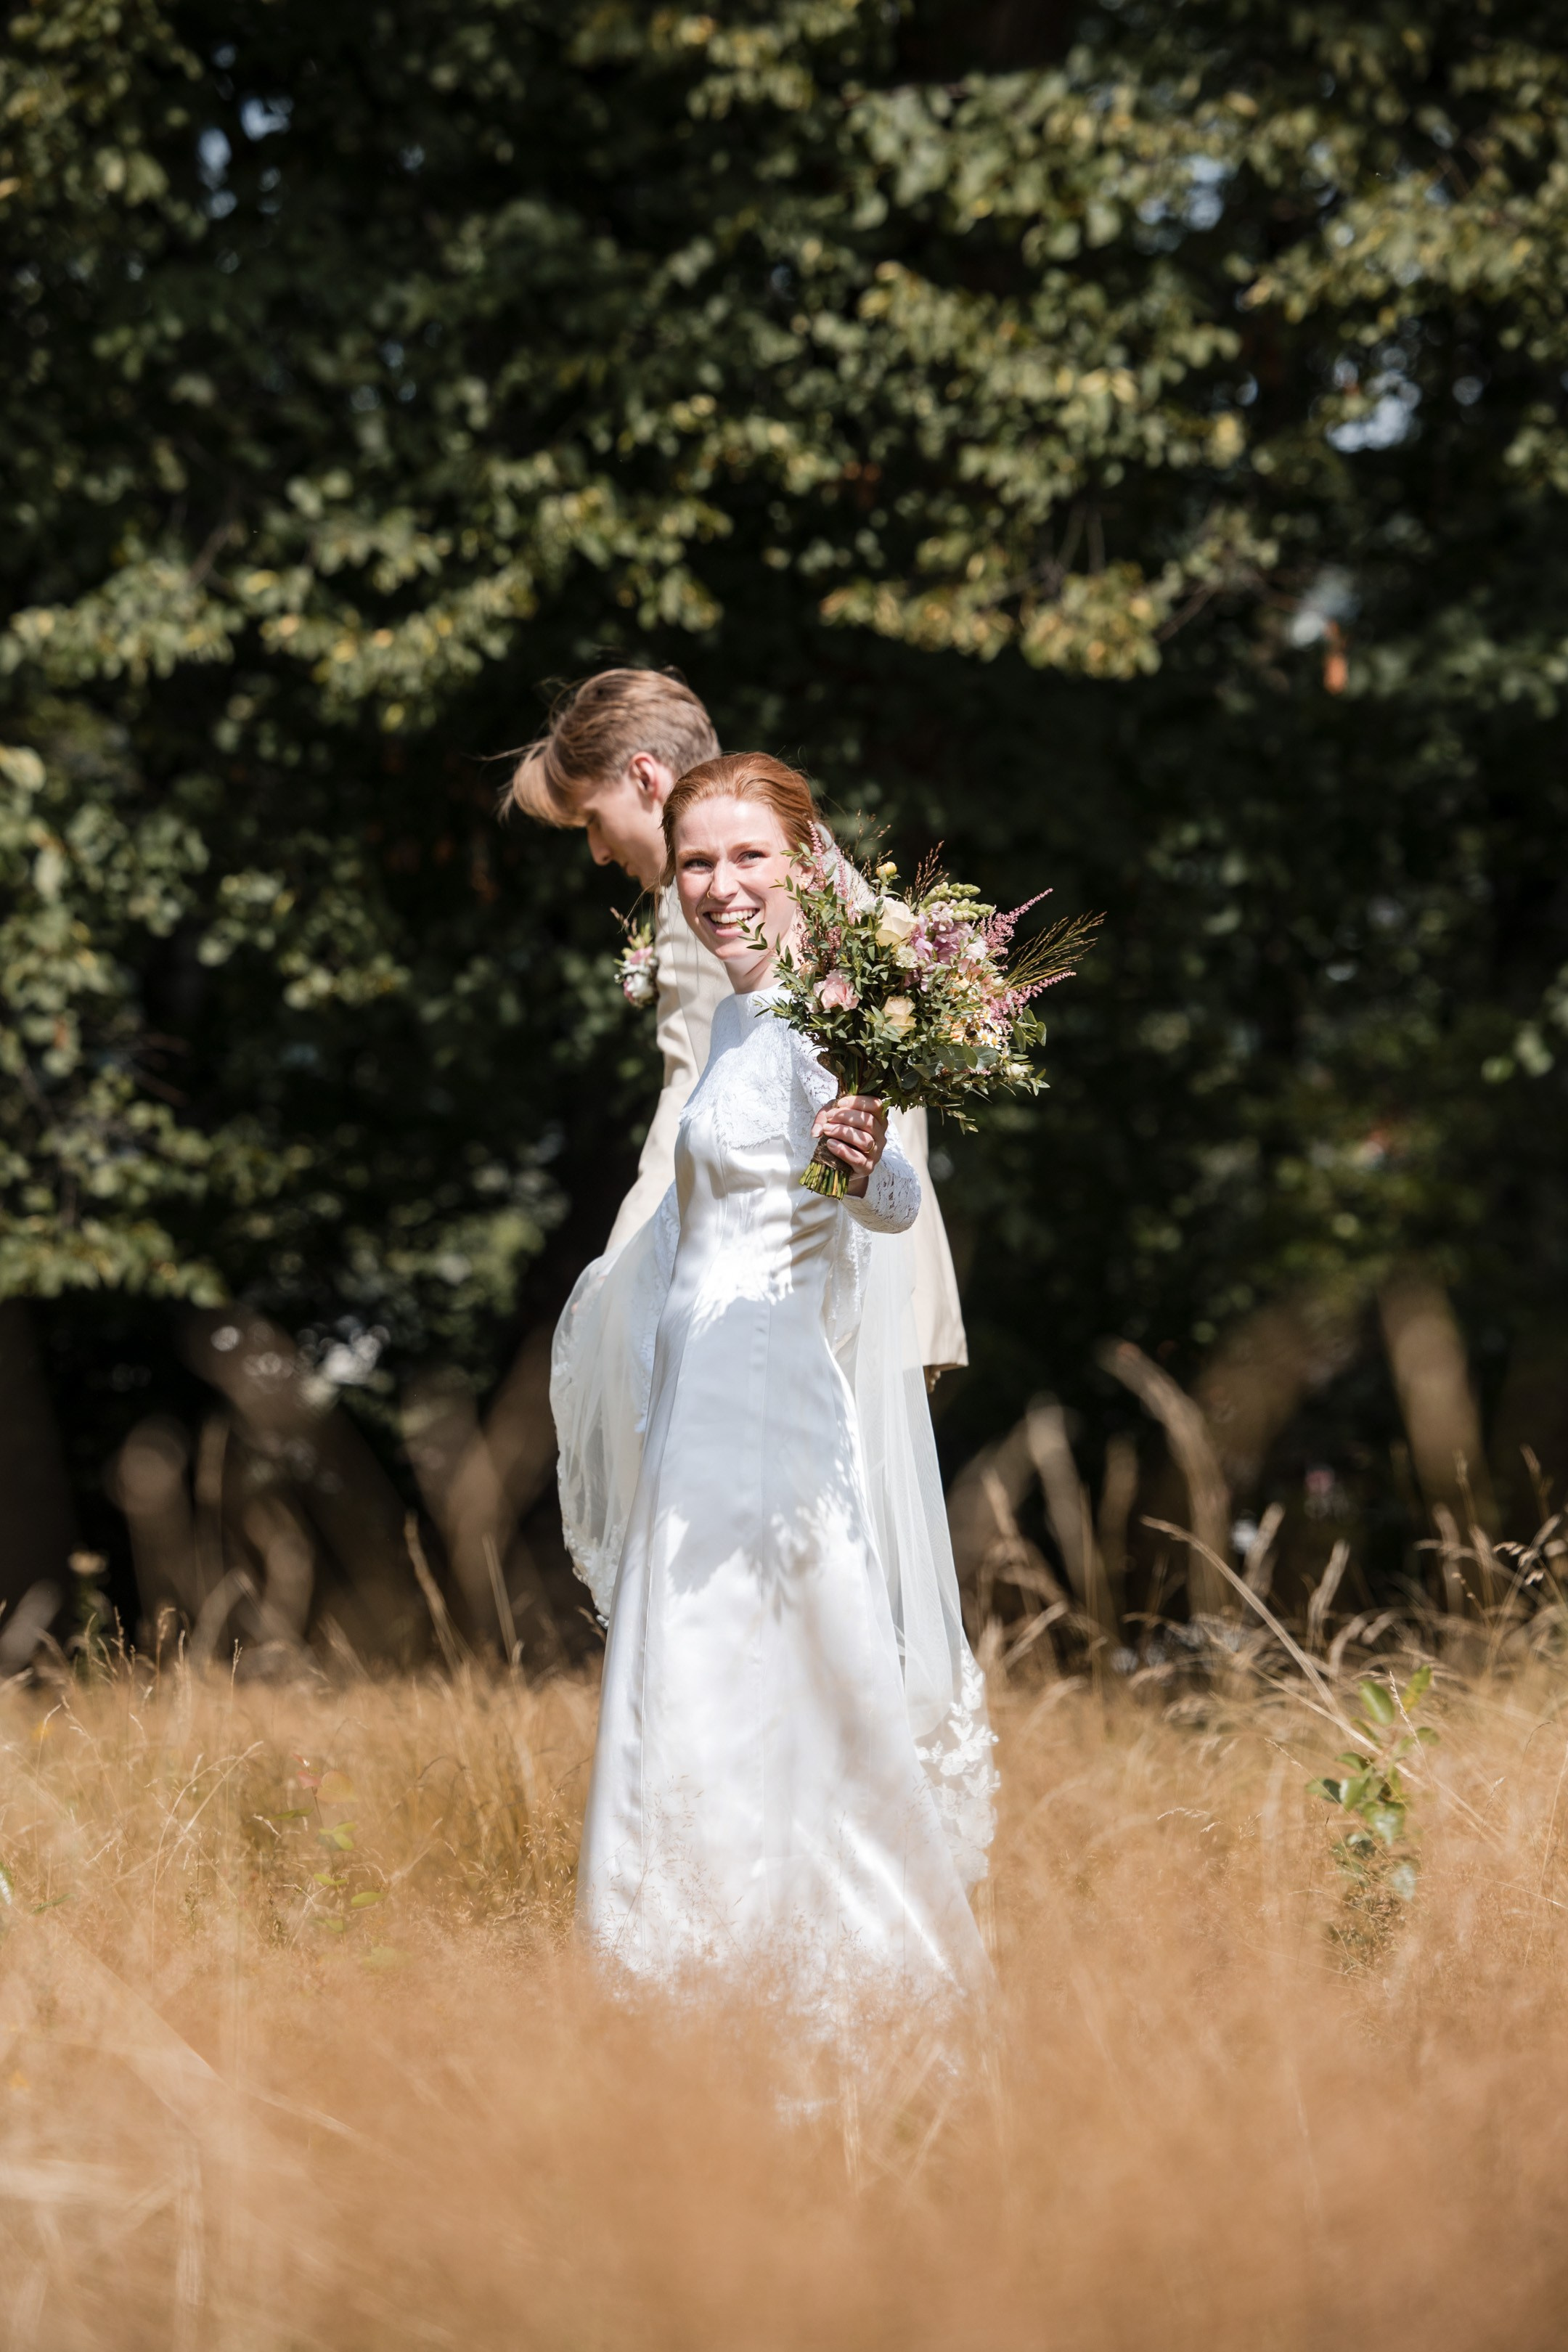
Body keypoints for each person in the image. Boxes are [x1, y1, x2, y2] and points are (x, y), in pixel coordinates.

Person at [551, 754, 996, 2006]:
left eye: (749, 857)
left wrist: (860, 1163)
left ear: (806, 863)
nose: (719, 885)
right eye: (697, 861)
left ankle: (815, 1985)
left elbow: (891, 1199)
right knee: (705, 1683)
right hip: (701, 1403)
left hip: (766, 1403)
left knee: (771, 1675)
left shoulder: (822, 1015)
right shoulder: (740, 1018)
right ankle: (708, 1969)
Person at [508, 669, 968, 1376]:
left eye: (593, 819)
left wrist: (617, 1273)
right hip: (880, 1272)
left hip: (784, 1303)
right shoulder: (796, 855)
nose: (598, 850)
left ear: (645, 777)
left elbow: (694, 1104)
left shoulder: (711, 903)